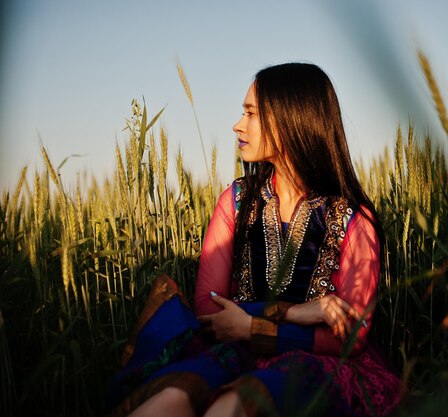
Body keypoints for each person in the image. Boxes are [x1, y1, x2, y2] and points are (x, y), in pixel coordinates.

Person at [106, 63, 403, 417]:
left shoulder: (353, 217)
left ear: (289, 120)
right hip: (231, 351)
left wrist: (252, 327)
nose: (237, 124)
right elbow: (206, 306)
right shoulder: (235, 201)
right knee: (169, 399)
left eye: (250, 113)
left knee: (234, 405)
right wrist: (292, 311)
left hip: (313, 365)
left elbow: (350, 336)